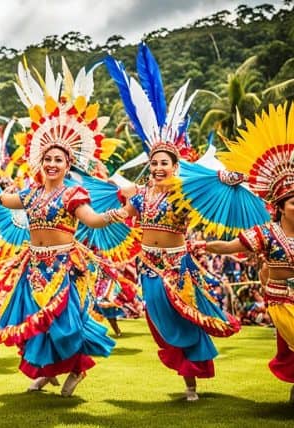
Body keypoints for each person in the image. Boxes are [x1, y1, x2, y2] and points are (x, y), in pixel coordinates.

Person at [103, 43, 256, 401]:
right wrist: (91, 218)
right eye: (154, 163)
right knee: (160, 323)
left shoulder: (185, 197)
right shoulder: (140, 196)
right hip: (148, 268)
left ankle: (191, 383)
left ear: (175, 167)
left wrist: (228, 180)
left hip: (177, 266)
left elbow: (212, 192)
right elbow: (121, 214)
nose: (157, 168)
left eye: (164, 164)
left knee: (183, 319)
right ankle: (185, 375)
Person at [0, 58, 121, 398]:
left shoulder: (73, 192)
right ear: (41, 162)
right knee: (34, 324)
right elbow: (3, 199)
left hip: (63, 266)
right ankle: (44, 373)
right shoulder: (31, 192)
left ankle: (77, 368)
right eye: (48, 159)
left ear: (68, 164)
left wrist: (119, 213)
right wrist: (3, 183)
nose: (52, 164)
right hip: (34, 264)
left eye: (59, 160)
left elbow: (93, 221)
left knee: (65, 325)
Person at [194, 103, 294, 403]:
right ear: (280, 206)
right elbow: (230, 247)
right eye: (292, 201)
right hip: (281, 301)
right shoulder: (266, 233)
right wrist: (203, 245)